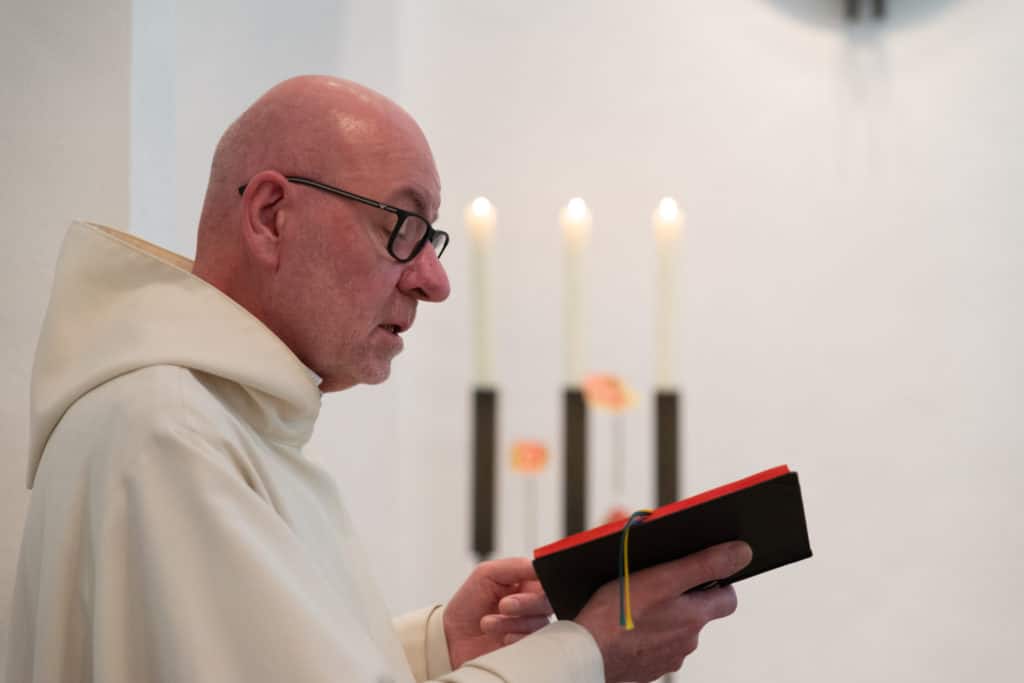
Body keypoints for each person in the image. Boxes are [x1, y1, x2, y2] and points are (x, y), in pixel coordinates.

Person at [6, 75, 752, 683]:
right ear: (270, 215)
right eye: (402, 226)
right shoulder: (169, 432)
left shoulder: (203, 418)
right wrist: (586, 656)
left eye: (431, 237)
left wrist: (438, 647)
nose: (434, 281)